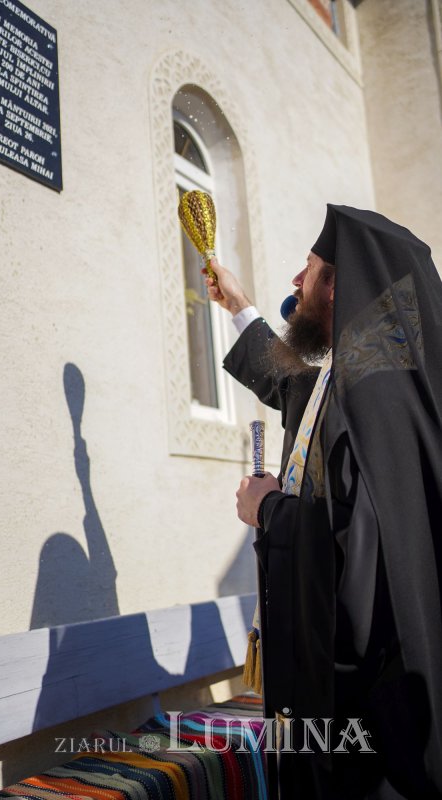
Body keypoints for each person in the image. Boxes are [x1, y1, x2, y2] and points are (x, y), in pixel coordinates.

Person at [205, 205, 442, 800]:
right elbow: (293, 386)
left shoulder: (375, 403)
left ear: (338, 283)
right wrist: (238, 306)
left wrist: (268, 511)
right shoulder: (369, 380)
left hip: (369, 715)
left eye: (307, 269)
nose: (295, 282)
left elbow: (357, 552)